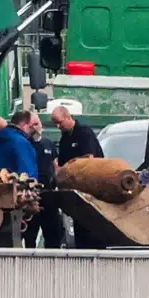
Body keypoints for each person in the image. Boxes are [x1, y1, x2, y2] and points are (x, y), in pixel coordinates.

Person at [51, 106, 103, 248]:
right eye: (55, 123)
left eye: (60, 122)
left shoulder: (84, 132)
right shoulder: (64, 139)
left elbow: (89, 158)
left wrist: (70, 167)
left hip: (90, 186)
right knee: (79, 223)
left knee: (92, 223)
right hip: (75, 188)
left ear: (68, 117)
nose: (58, 126)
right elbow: (61, 164)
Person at [21, 111, 63, 249]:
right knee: (30, 233)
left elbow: (56, 165)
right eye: (32, 124)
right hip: (31, 195)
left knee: (53, 231)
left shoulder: (48, 144)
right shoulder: (25, 144)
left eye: (37, 123)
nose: (36, 127)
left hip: (48, 194)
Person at [0, 110, 39, 179]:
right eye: (32, 125)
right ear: (24, 124)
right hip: (15, 187)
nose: (34, 129)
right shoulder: (21, 143)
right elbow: (29, 174)